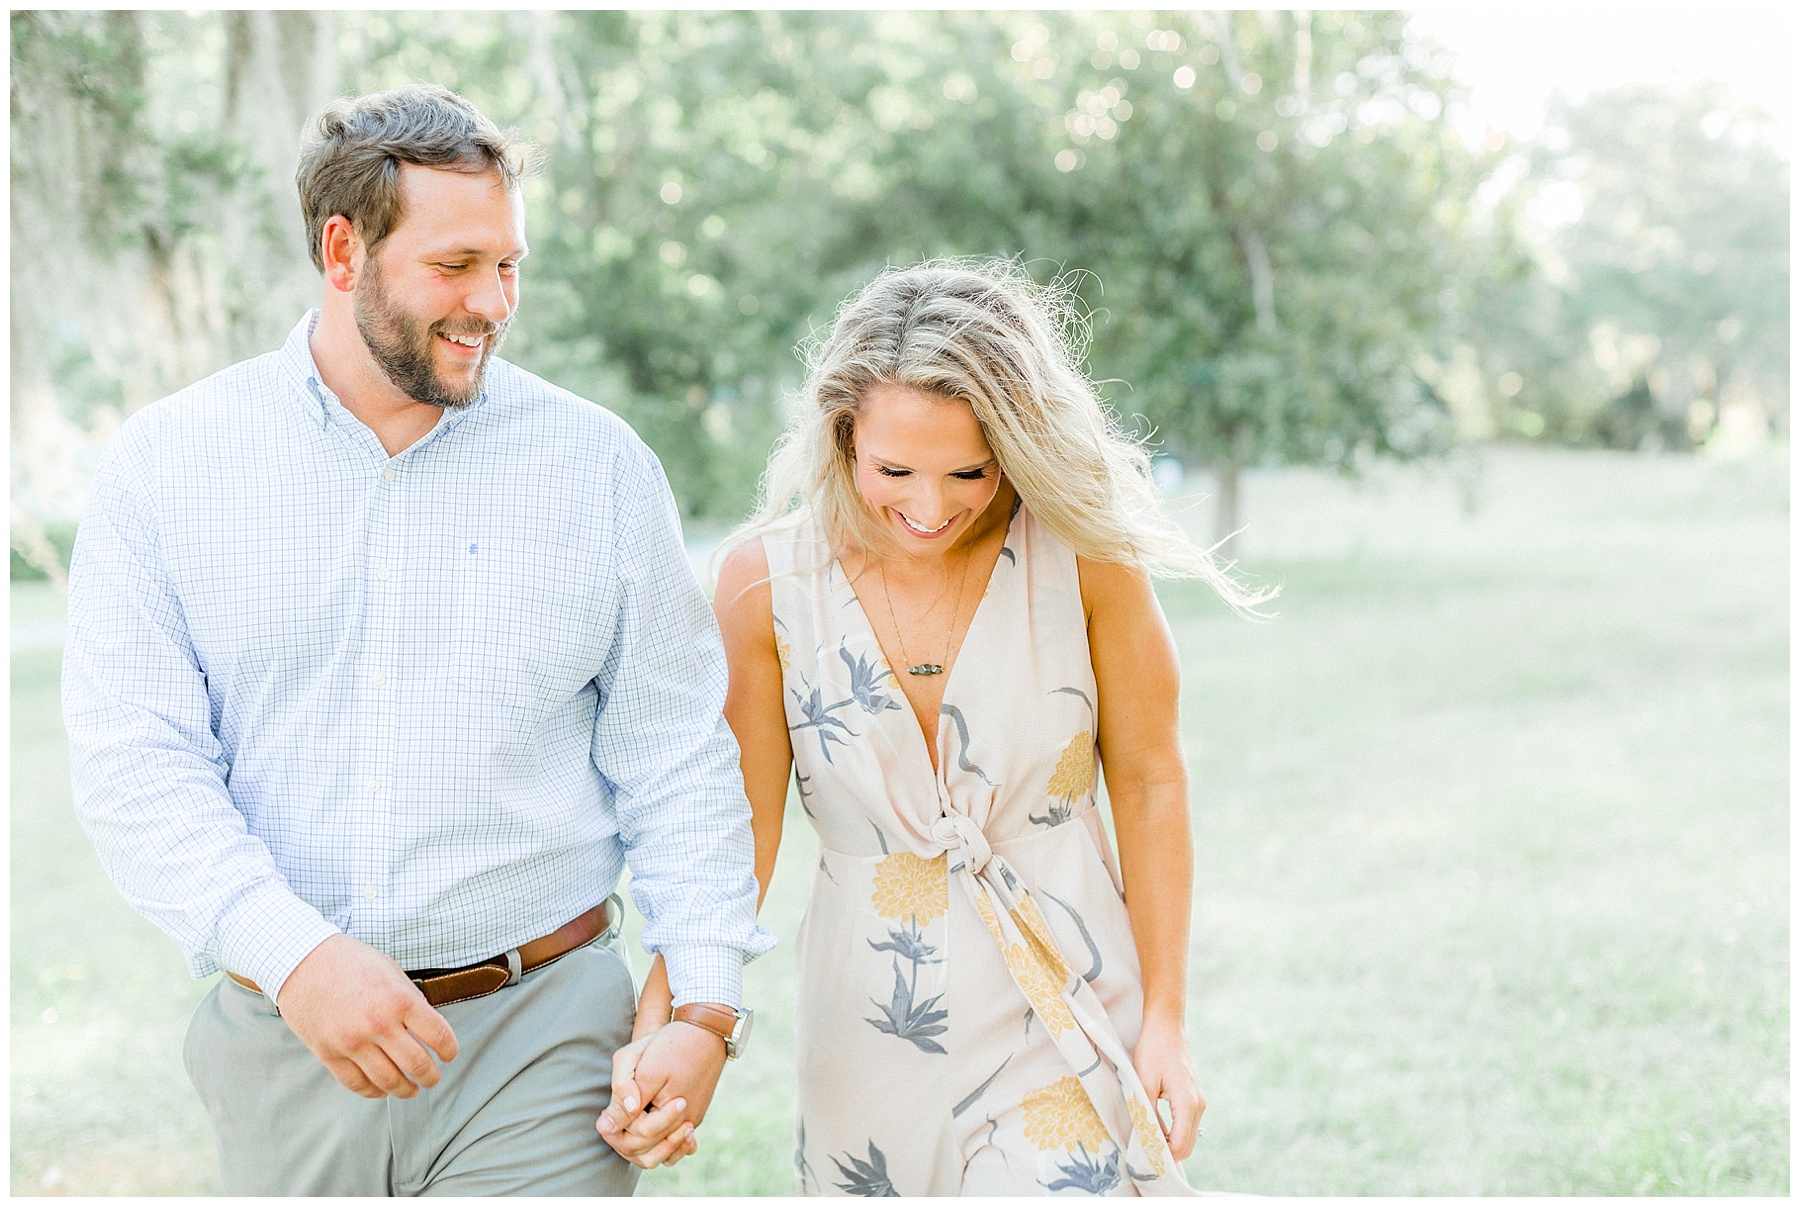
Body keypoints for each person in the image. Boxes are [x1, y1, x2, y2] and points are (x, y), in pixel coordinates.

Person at [61, 84, 770, 1196]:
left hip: (544, 1036)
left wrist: (707, 1006)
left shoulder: (601, 469)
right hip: (285, 1043)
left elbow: (676, 756)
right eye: (456, 265)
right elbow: (135, 765)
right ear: (344, 251)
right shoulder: (167, 470)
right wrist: (294, 956)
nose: (494, 300)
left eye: (511, 264)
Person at [605, 260, 1272, 1194]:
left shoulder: (1083, 555)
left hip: (1065, 988)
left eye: (968, 470)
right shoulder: (763, 582)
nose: (929, 507)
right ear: (842, 435)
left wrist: (1166, 1019)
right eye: (894, 471)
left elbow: (1153, 778)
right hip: (869, 1019)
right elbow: (738, 831)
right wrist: (673, 1015)